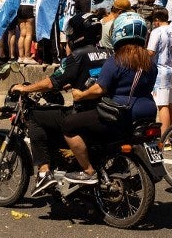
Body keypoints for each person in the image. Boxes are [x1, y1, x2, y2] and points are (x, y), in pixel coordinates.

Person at [9, 12, 111, 196]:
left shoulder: (78, 56)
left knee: (36, 117)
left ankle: (43, 172)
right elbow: (93, 77)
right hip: (103, 109)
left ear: (79, 33)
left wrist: (25, 88)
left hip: (84, 112)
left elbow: (51, 82)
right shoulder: (107, 52)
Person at [63, 12, 156, 184]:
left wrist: (80, 94)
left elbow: (99, 89)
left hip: (121, 113)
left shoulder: (117, 59)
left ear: (119, 32)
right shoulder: (151, 62)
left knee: (69, 124)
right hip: (148, 112)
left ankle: (88, 171)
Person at [147, 6, 172, 129]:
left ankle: (165, 139)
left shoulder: (156, 32)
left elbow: (150, 52)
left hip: (160, 71)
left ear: (157, 19)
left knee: (163, 106)